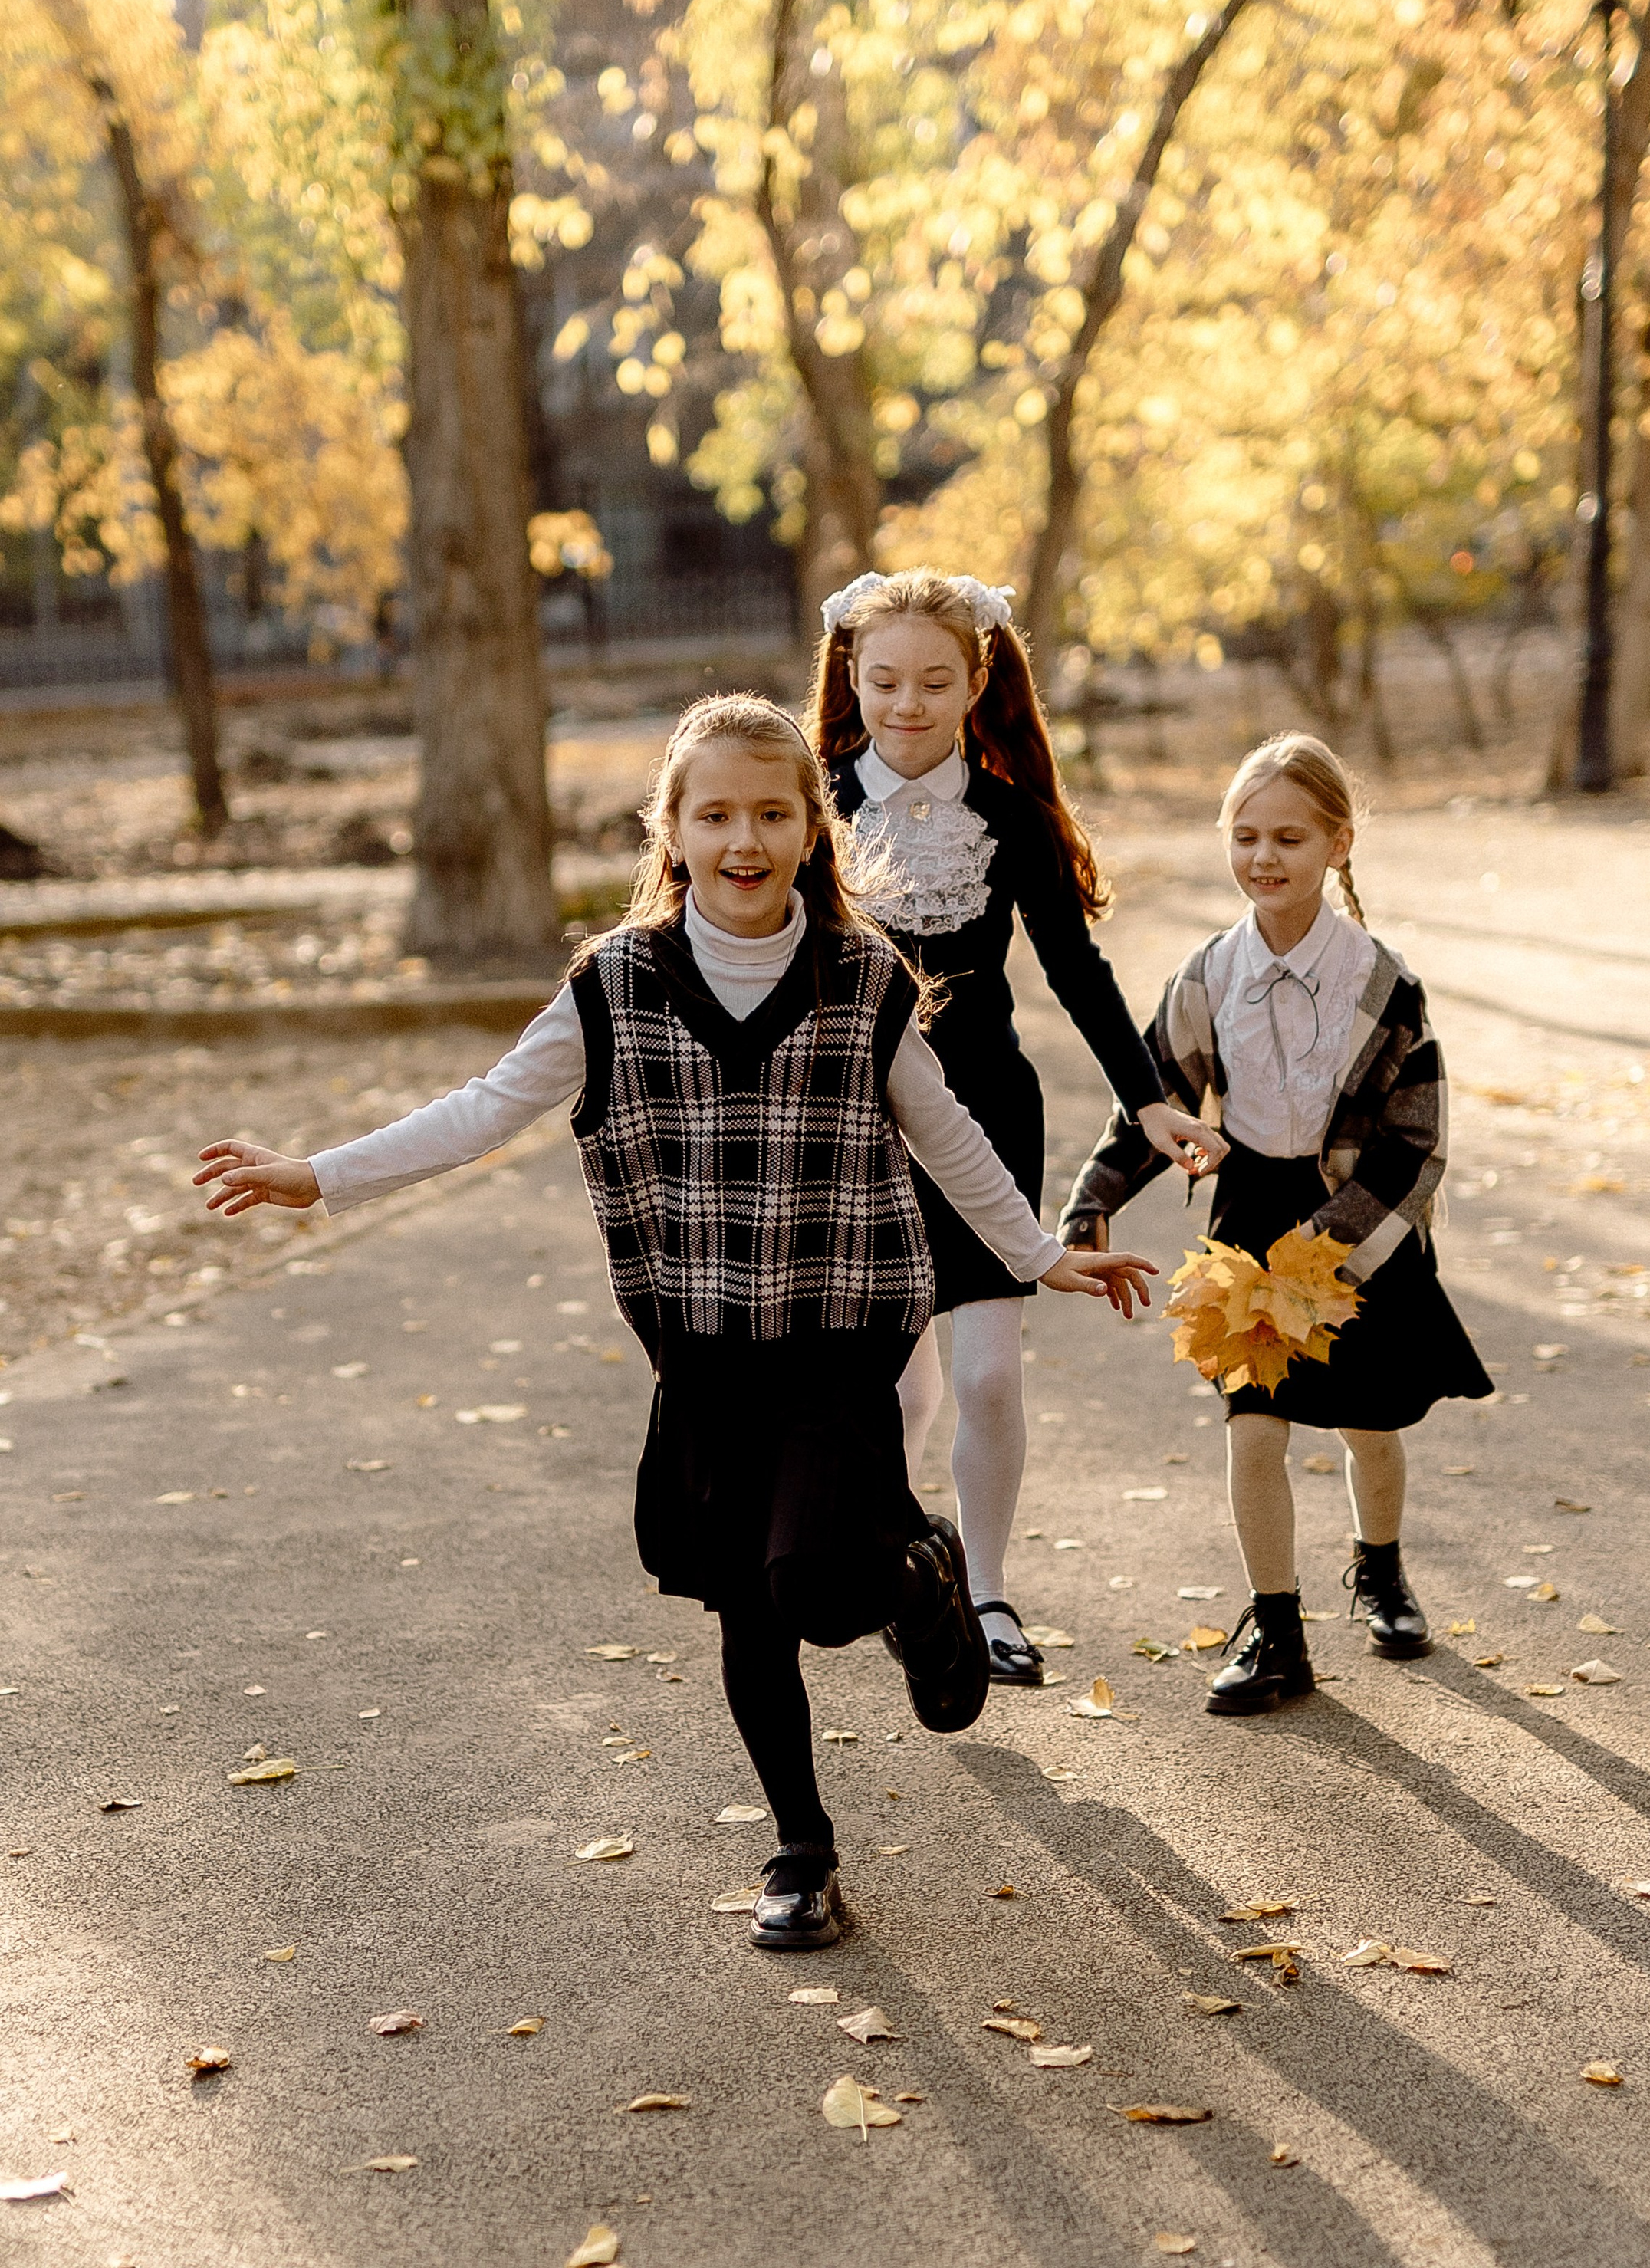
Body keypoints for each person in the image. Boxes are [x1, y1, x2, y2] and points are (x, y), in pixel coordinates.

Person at [194, 694, 1152, 1950]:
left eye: (771, 812)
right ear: (675, 834)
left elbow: (949, 1135)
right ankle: (802, 1849)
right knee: (749, 1608)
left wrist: (1037, 1252)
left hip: (841, 1332)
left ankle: (923, 1579)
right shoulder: (613, 988)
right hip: (701, 1350)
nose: (744, 837)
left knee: (812, 1582)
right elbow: (482, 1109)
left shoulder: (861, 980)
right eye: (716, 814)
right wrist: (318, 1172)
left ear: (814, 832)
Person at [809, 570, 1225, 1686]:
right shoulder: (806, 809)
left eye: (934, 681)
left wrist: (1149, 1102)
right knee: (899, 1386)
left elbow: (1080, 973)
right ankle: (896, 1576)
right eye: (885, 678)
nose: (906, 702)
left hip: (988, 1112)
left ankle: (986, 1594)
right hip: (851, 1122)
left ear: (977, 681)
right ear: (852, 672)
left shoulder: (1011, 817)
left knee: (987, 1378)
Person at [1060, 731, 1491, 1715]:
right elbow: (1158, 1099)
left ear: (1338, 843)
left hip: (1356, 1225)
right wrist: (1093, 1196)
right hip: (1251, 1218)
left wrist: (1332, 1245)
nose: (1265, 857)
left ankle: (1379, 1570)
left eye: (1289, 837)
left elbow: (1414, 1141)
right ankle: (1278, 1632)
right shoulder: (1210, 974)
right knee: (1253, 1432)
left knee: (1365, 1425)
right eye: (1245, 835)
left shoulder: (1382, 985)